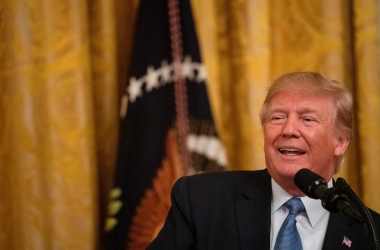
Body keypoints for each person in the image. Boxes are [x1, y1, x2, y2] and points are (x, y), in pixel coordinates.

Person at [147, 72, 380, 250]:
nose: (288, 129)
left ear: (340, 142)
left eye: (307, 119)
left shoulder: (370, 232)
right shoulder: (201, 200)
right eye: (277, 117)